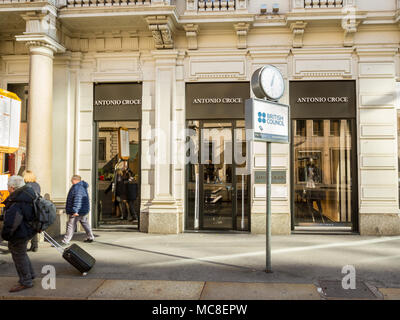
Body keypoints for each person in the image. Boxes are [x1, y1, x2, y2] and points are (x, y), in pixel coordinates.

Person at [1, 175, 37, 292]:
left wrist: (5, 234)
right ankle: (30, 275)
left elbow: (13, 221)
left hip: (20, 232)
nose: (7, 188)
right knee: (22, 254)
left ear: (12, 187)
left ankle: (25, 281)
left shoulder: (17, 199)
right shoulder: (27, 194)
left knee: (19, 255)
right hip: (27, 229)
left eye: (7, 186)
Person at [62, 175, 94, 245]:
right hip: (82, 209)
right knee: (84, 223)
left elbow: (78, 199)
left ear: (75, 180)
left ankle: (65, 241)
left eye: (71, 180)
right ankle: (90, 236)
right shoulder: (81, 186)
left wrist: (75, 211)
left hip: (78, 210)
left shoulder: (78, 187)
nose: (71, 181)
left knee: (71, 225)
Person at [22, 170, 41, 252]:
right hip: (36, 208)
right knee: (34, 228)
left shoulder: (25, 186)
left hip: (27, 208)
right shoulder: (37, 185)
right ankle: (35, 245)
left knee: (25, 228)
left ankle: (23, 246)